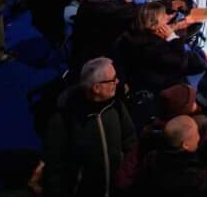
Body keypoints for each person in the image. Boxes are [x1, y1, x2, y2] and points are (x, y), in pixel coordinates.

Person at [43, 59, 138, 197]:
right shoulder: (64, 119)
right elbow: (54, 166)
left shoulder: (117, 106)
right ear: (96, 88)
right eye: (112, 79)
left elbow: (130, 141)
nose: (117, 82)